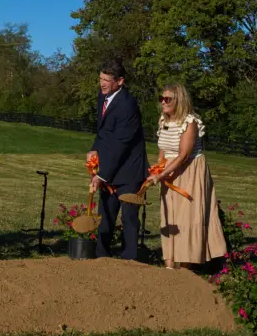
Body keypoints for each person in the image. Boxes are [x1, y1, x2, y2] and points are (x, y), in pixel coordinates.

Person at [147, 83, 227, 269]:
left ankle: (185, 268)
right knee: (169, 216)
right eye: (162, 98)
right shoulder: (163, 121)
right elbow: (163, 150)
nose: (163, 102)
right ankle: (169, 265)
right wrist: (157, 169)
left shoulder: (190, 123)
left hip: (189, 172)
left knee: (187, 218)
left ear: (179, 100)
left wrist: (162, 174)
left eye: (168, 99)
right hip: (170, 171)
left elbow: (183, 155)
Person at [87, 59, 148, 260]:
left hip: (129, 170)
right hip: (110, 167)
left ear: (120, 81)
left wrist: (102, 175)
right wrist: (94, 150)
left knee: (129, 217)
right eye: (100, 79)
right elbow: (104, 132)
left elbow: (121, 144)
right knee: (106, 215)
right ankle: (101, 257)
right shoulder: (103, 97)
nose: (102, 83)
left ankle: (130, 260)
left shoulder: (127, 106)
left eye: (107, 80)